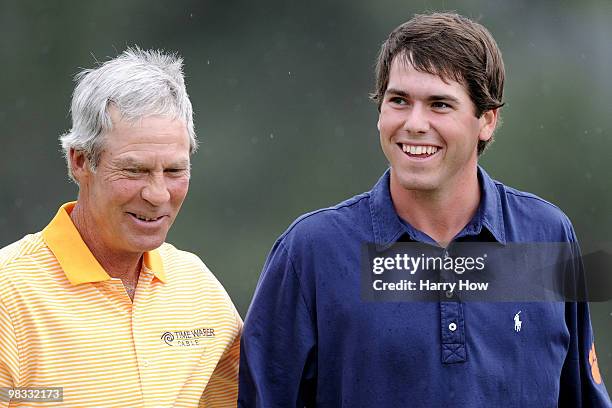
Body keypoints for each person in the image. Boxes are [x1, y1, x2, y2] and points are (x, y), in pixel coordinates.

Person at [238, 12, 611, 407]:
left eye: (439, 104)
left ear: (486, 120)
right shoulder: (311, 252)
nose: (415, 123)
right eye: (399, 100)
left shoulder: (547, 235)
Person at [0, 48, 241, 407]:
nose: (158, 194)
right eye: (135, 171)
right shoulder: (10, 294)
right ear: (80, 161)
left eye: (174, 171)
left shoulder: (199, 289)